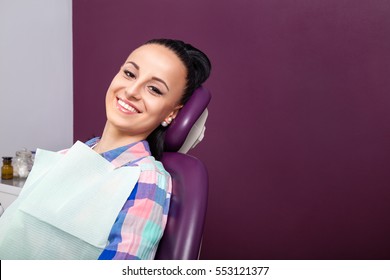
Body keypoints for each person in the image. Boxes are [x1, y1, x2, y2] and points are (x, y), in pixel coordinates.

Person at [0, 38, 211, 260]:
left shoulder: (145, 180)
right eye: (130, 74)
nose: (131, 91)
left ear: (171, 114)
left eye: (154, 89)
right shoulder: (67, 157)